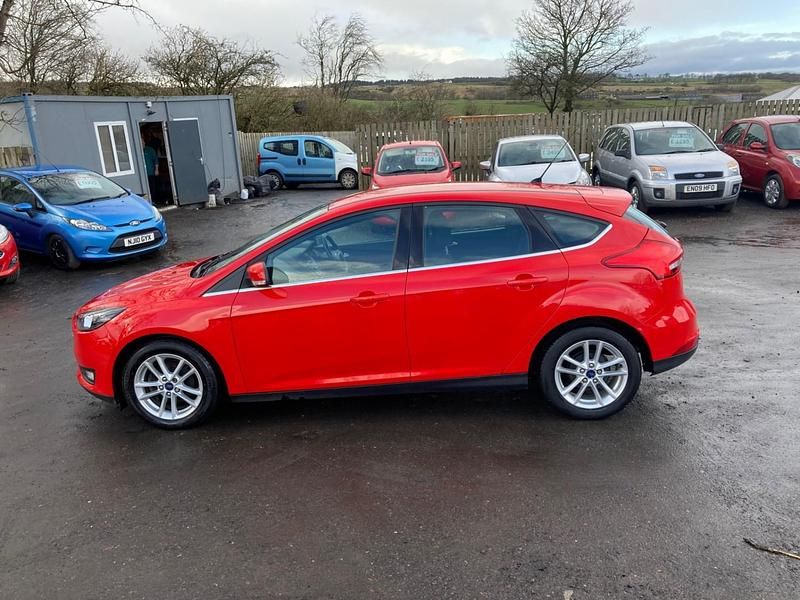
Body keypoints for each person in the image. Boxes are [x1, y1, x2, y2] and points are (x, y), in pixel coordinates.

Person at [142, 133, 160, 202]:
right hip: (143, 174)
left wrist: (156, 170)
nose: (141, 143)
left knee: (152, 187)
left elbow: (155, 160)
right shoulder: (139, 151)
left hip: (151, 172)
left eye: (142, 142)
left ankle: (154, 200)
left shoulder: (150, 150)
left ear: (144, 142)